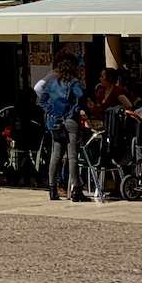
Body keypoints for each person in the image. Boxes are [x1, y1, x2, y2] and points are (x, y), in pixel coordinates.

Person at [38, 59, 86, 201]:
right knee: (72, 156)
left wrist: (51, 112)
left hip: (55, 121)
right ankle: (76, 189)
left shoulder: (52, 83)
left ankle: (52, 189)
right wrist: (74, 110)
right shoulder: (74, 82)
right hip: (70, 120)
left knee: (56, 155)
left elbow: (42, 100)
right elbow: (81, 96)